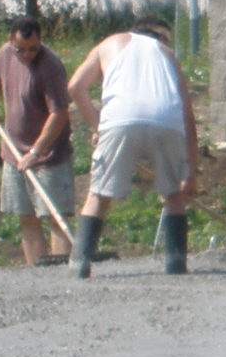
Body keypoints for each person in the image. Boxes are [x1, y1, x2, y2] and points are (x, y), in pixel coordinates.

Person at [66, 21, 200, 277]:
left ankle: (80, 263)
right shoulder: (166, 53)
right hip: (167, 120)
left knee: (99, 194)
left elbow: (75, 87)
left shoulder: (109, 43)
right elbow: (187, 114)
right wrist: (190, 174)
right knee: (173, 194)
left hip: (120, 117)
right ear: (158, 38)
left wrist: (98, 127)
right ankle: (175, 262)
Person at [0, 18, 75, 265]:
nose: (26, 55)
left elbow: (59, 113)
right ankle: (37, 271)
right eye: (20, 49)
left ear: (40, 41)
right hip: (13, 151)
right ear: (10, 41)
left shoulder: (51, 67)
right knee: (26, 216)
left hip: (49, 156)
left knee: (55, 217)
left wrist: (35, 152)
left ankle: (61, 275)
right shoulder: (5, 54)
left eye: (33, 49)